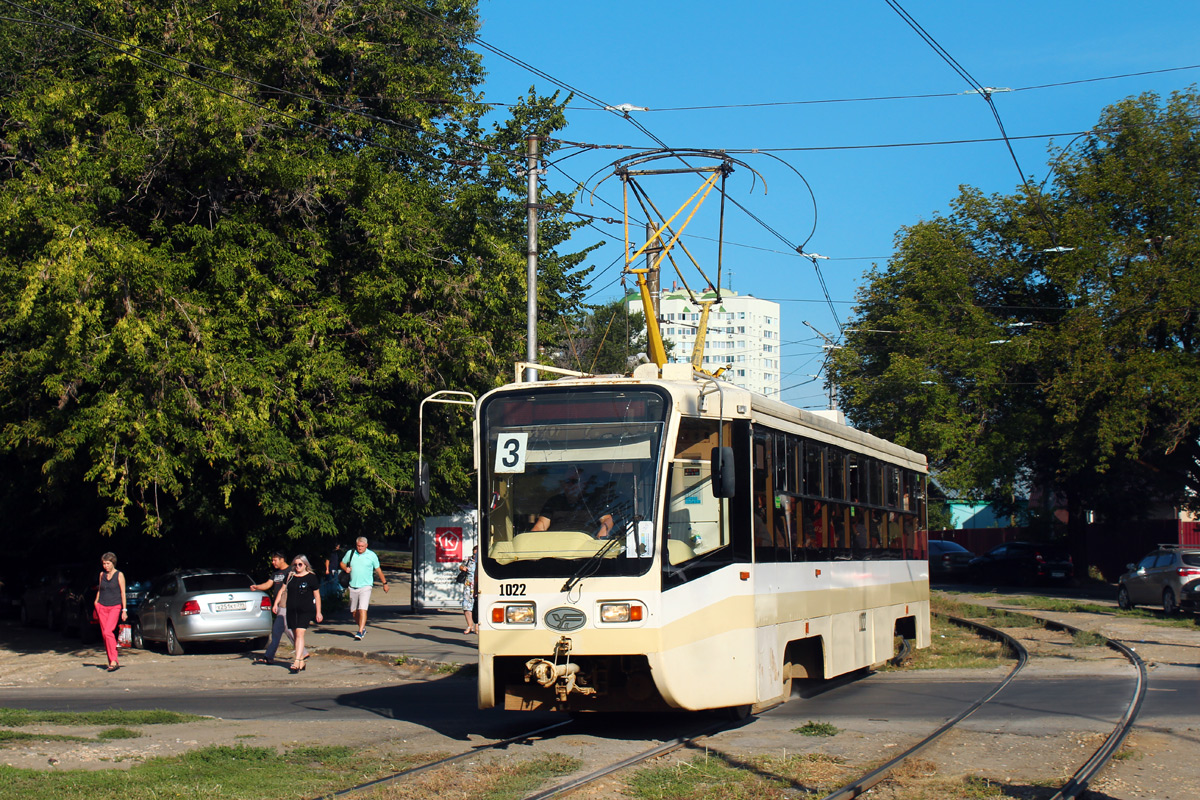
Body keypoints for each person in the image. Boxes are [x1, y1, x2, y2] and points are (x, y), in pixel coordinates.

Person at [251, 552, 305, 665]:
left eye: (275, 560)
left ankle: (301, 653)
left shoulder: (292, 570)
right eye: (272, 560)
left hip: (288, 605)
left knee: (287, 630)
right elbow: (268, 584)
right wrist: (257, 587)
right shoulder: (276, 574)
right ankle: (270, 656)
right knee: (279, 631)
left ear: (282, 559)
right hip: (280, 606)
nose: (273, 562)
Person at [531, 466, 614, 538]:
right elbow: (541, 526)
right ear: (563, 484)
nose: (570, 484)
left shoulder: (594, 500)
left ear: (584, 483)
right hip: (554, 549)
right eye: (567, 481)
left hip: (587, 551)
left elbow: (607, 519)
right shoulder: (554, 501)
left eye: (574, 481)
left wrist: (600, 538)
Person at [276, 555, 321, 674]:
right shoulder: (290, 576)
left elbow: (317, 595)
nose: (297, 567)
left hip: (305, 610)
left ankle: (296, 661)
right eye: (295, 565)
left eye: (300, 564)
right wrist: (276, 604)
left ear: (305, 564)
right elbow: (282, 590)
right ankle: (301, 661)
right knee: (296, 635)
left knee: (300, 633)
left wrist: (318, 612)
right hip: (292, 609)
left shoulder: (311, 577)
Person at [340, 536, 388, 640]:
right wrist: (346, 569)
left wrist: (385, 583)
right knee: (354, 612)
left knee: (362, 609)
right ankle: (362, 627)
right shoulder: (351, 553)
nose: (360, 548)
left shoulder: (371, 555)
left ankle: (360, 631)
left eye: (362, 546)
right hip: (353, 586)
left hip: (366, 586)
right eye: (358, 546)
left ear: (366, 545)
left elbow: (378, 570)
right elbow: (342, 563)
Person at [93, 552, 127, 672]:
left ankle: (114, 659)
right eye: (104, 563)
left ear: (113, 563)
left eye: (108, 563)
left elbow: (123, 593)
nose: (105, 566)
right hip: (102, 606)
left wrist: (124, 609)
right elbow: (100, 589)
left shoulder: (119, 575)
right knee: (104, 635)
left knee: (108, 632)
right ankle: (112, 661)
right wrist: (96, 602)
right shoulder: (101, 574)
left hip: (115, 606)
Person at [459, 545, 478, 635]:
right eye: (474, 554)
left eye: (477, 554)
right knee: (466, 606)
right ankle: (470, 625)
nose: (475, 556)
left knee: (478, 607)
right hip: (468, 586)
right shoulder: (468, 560)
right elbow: (461, 566)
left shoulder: (483, 561)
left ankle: (478, 626)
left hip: (479, 586)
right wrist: (463, 568)